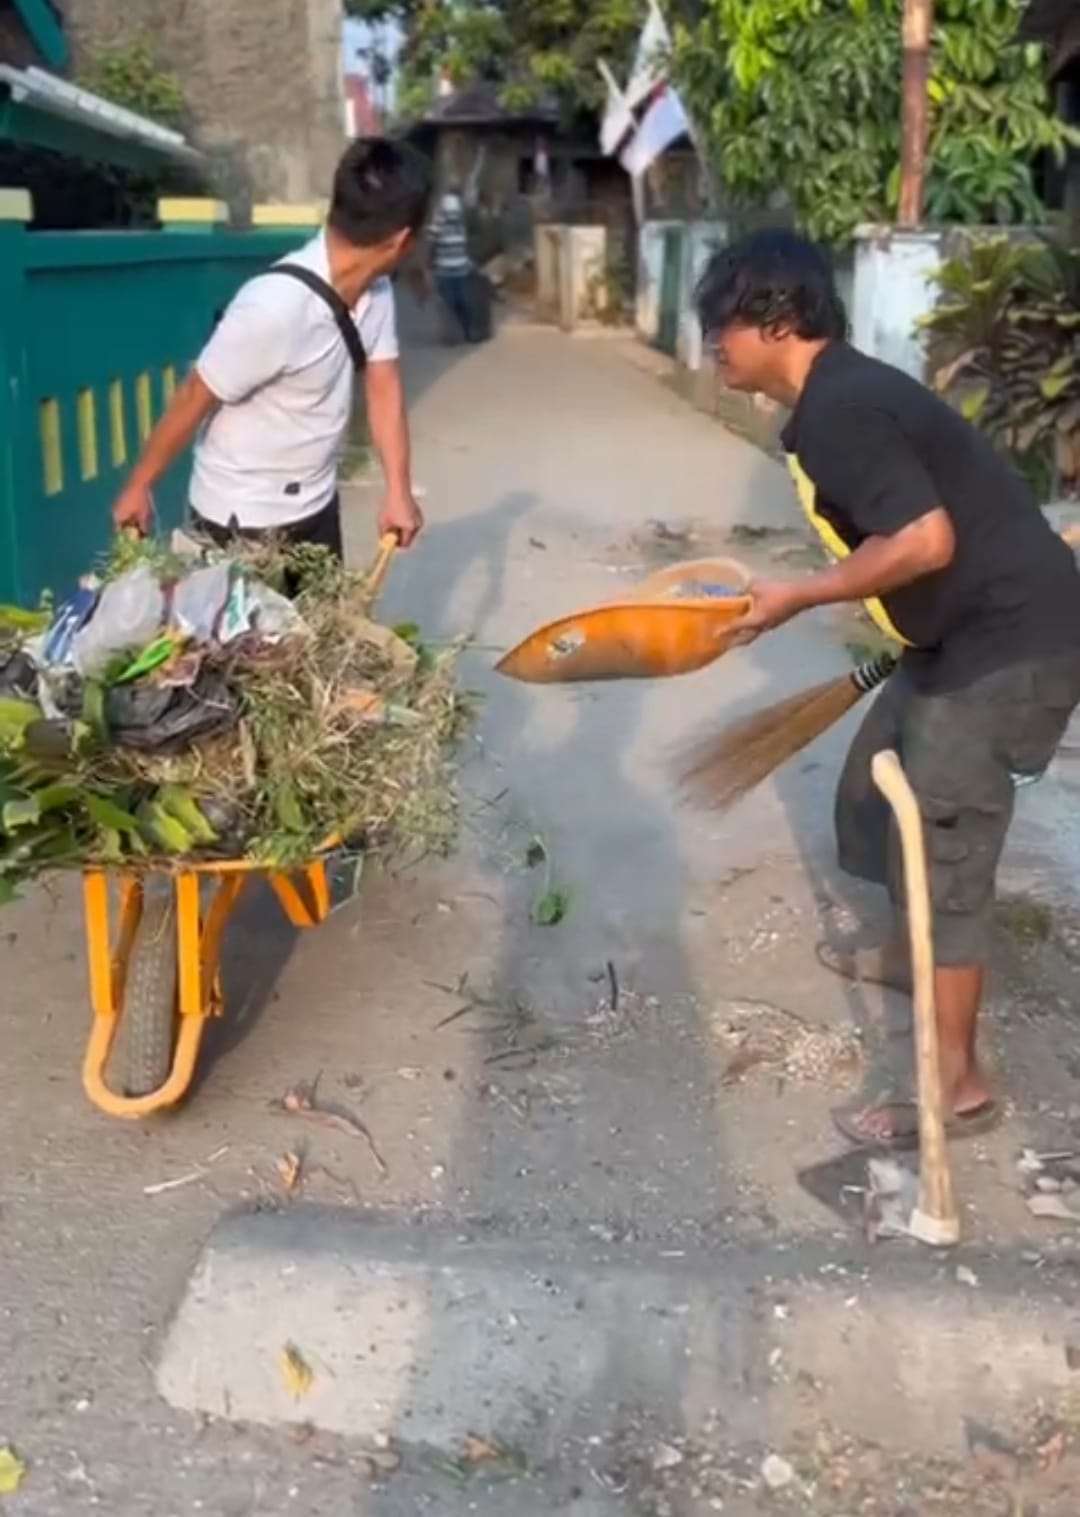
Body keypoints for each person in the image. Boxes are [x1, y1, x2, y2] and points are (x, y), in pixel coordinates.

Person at [694, 228, 1080, 1151]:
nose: (712, 341)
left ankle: (961, 1084)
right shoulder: (834, 397)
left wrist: (800, 596)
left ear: (776, 320)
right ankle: (912, 957)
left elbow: (924, 540)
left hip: (1010, 646)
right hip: (960, 630)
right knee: (873, 791)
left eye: (723, 322)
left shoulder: (842, 409)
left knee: (945, 842)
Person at [113, 137, 431, 566]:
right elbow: (194, 395)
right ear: (401, 240)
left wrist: (398, 490)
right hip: (239, 518)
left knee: (322, 632)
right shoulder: (274, 307)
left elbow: (384, 388)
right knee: (251, 637)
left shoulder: (377, 290)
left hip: (315, 506)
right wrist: (139, 486)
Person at [427, 185, 474, 343]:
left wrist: (429, 261)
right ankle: (468, 331)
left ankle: (452, 335)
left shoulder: (439, 216)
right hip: (461, 265)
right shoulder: (462, 217)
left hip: (444, 266)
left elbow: (432, 239)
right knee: (462, 301)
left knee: (447, 302)